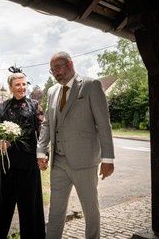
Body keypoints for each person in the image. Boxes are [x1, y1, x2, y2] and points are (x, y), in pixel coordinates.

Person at [37, 51, 115, 239]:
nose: (55, 73)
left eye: (58, 67)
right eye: (52, 70)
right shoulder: (52, 91)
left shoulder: (91, 85)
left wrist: (108, 158)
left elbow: (104, 125)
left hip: (85, 162)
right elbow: (47, 123)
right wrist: (41, 150)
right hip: (58, 162)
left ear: (70, 64)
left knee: (90, 209)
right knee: (55, 211)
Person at [0, 67, 46, 239]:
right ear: (10, 87)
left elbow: (42, 133)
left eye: (24, 84)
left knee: (30, 209)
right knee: (1, 207)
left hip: (28, 166)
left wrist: (43, 155)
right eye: (17, 84)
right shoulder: (0, 108)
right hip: (5, 165)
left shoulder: (35, 106)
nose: (21, 87)